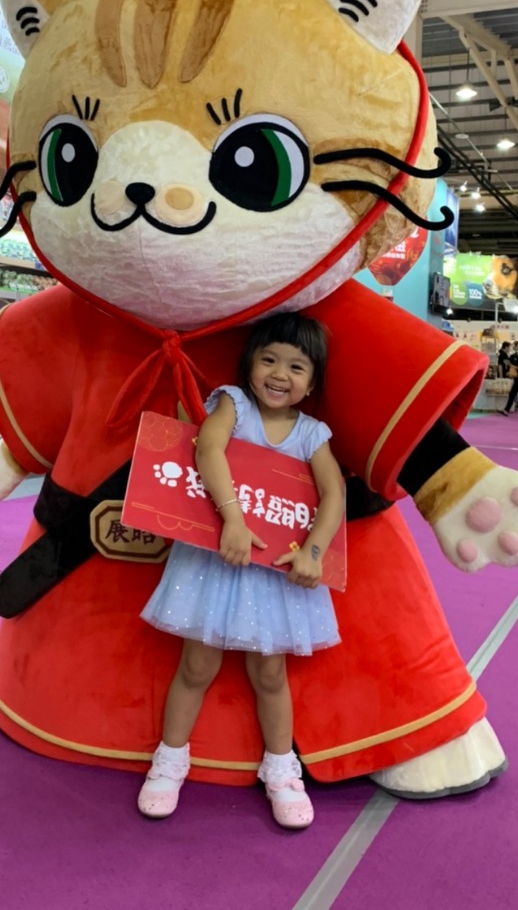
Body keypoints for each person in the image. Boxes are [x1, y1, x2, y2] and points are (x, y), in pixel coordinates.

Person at [137, 313, 345, 828]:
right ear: (250, 364)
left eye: (296, 367)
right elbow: (207, 447)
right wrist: (232, 518)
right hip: (214, 562)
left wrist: (314, 553)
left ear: (312, 383)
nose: (280, 374)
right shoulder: (233, 403)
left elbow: (334, 493)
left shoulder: (311, 433)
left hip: (273, 576)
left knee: (270, 673)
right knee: (196, 666)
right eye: (269, 359)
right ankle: (169, 761)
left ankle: (282, 770)